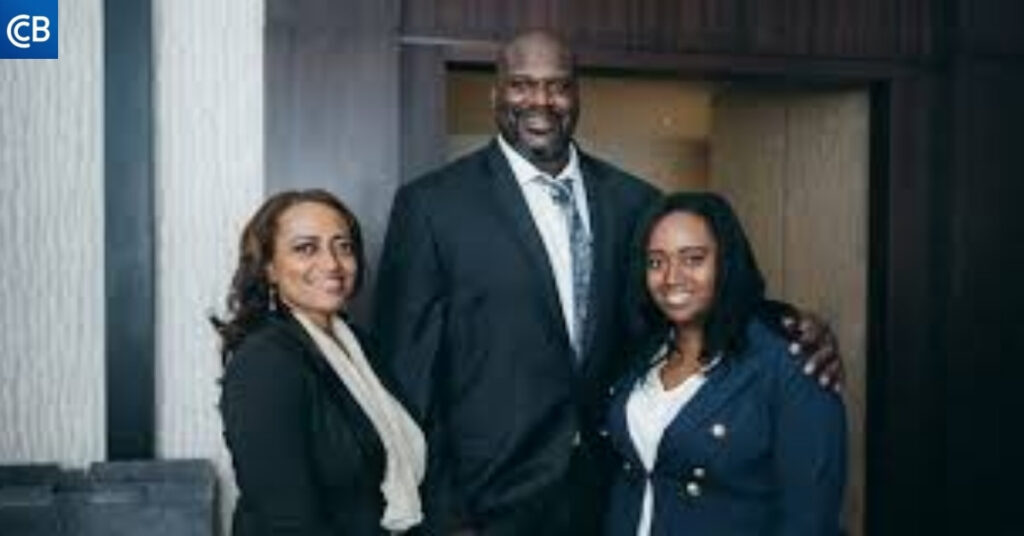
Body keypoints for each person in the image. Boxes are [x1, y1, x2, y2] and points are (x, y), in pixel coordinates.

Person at [374, 30, 840, 535]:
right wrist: (443, 514)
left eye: (558, 86)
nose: (540, 102)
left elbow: (678, 302)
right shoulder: (432, 207)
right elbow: (406, 378)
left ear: (577, 95)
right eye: (522, 85)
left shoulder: (634, 202)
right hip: (486, 506)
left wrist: (787, 326)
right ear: (496, 93)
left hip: (609, 495)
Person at [604, 192, 846, 535]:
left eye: (693, 259)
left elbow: (809, 518)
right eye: (656, 262)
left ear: (726, 262)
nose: (672, 277)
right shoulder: (642, 350)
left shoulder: (792, 361)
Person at [214, 189, 426, 535]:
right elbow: (287, 520)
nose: (332, 264)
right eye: (305, 248)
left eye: (343, 246)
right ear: (269, 268)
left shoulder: (361, 347)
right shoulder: (265, 363)